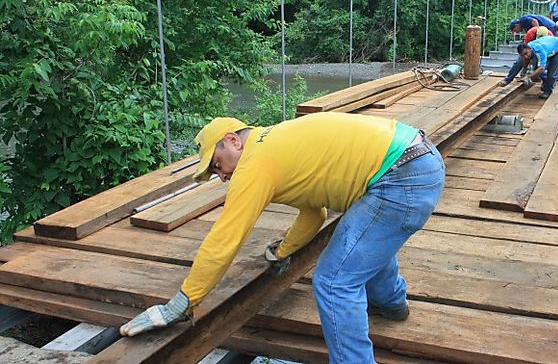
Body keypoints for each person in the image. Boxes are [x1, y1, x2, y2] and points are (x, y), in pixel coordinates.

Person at [119, 113, 446, 364]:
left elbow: (224, 241)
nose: (221, 176)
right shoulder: (277, 144)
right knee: (367, 240)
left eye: (217, 165)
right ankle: (392, 305)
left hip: (401, 178)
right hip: (416, 161)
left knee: (334, 282)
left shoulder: (255, 164)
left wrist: (182, 303)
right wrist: (284, 251)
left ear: (233, 140)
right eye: (214, 174)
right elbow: (314, 212)